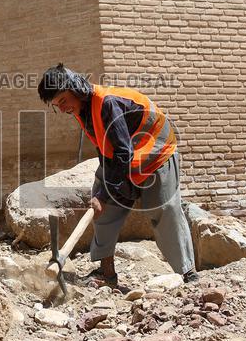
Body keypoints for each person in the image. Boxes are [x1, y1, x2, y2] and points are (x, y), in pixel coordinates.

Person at [37, 64, 199, 287]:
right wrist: (103, 191)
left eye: (63, 100)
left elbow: (123, 152)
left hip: (156, 152)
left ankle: (188, 273)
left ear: (75, 88)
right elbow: (107, 147)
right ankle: (107, 274)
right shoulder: (81, 109)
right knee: (103, 210)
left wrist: (104, 193)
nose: (63, 108)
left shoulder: (108, 103)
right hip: (125, 157)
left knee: (164, 210)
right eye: (57, 105)